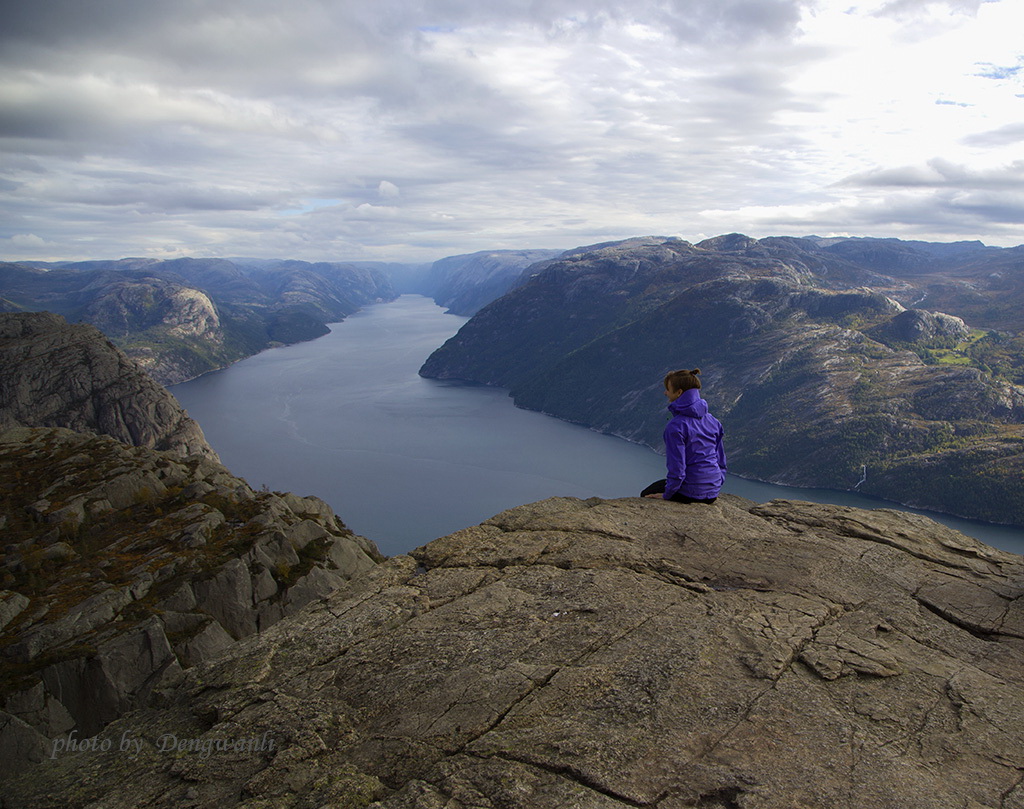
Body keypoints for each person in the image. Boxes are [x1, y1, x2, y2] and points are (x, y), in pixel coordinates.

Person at [641, 368, 726, 504]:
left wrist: (667, 495)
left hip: (690, 494)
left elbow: (677, 469)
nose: (665, 392)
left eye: (667, 389)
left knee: (646, 494)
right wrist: (716, 483)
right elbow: (720, 460)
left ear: (679, 392)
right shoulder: (713, 421)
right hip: (713, 492)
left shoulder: (676, 426)